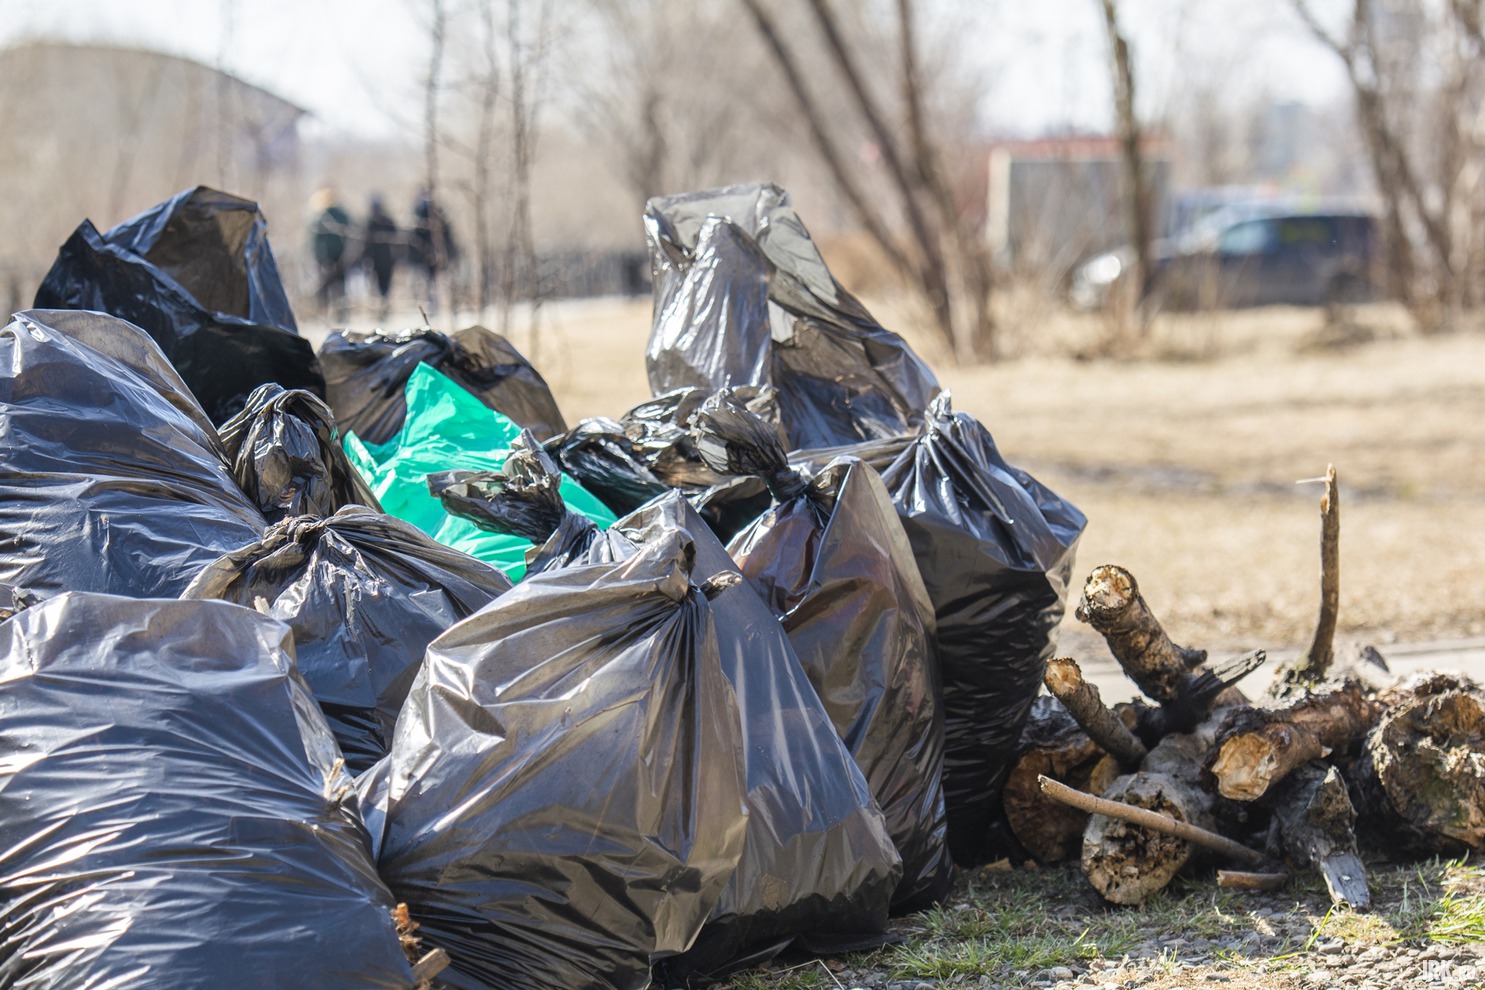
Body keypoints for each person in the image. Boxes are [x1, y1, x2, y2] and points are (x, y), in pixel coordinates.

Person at [408, 189, 459, 311]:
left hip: (433, 256)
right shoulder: (422, 215)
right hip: (427, 256)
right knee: (430, 281)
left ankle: (434, 304)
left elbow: (446, 236)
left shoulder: (435, 215)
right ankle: (431, 304)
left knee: (433, 281)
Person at [307, 188, 353, 323]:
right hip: (339, 258)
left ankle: (325, 315)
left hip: (328, 258)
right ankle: (339, 315)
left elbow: (315, 241)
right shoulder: (340, 215)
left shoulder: (320, 216)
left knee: (326, 288)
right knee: (339, 288)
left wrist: (321, 258)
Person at [360, 194, 399, 321]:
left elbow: (397, 241)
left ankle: (383, 309)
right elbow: (365, 243)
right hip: (379, 260)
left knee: (383, 286)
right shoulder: (372, 222)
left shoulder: (381, 221)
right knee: (379, 286)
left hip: (384, 259)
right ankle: (380, 309)